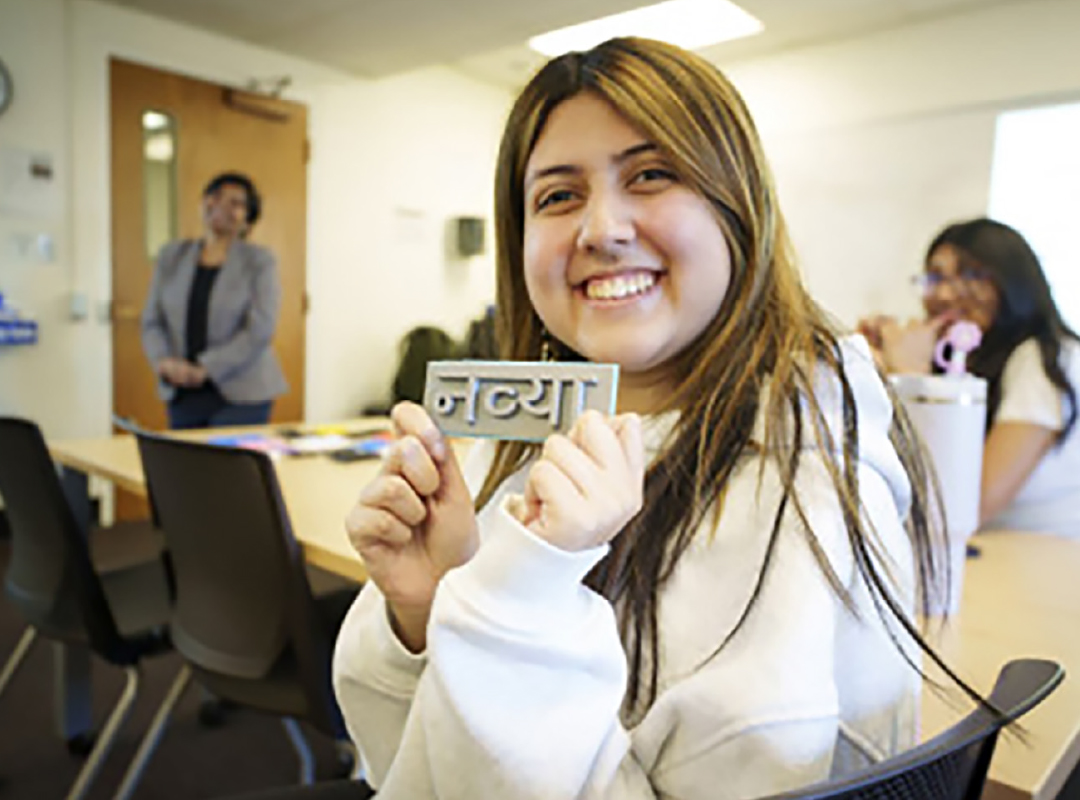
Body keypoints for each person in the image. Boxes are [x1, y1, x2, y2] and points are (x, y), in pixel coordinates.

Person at [333, 38, 975, 799]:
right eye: (557, 196)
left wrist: (521, 598)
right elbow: (407, 770)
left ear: (738, 206)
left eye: (651, 175)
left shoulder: (803, 478)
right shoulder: (516, 437)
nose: (600, 229)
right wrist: (425, 611)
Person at [859, 218, 1080, 536]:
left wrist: (913, 377)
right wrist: (873, 375)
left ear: (1014, 281)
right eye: (935, 277)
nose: (946, 294)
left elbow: (966, 508)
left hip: (1046, 559)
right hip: (992, 553)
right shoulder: (969, 363)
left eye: (972, 274)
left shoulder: (1045, 359)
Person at [141, 171, 286, 430]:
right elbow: (152, 321)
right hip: (182, 390)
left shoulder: (259, 261)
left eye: (237, 203)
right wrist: (164, 362)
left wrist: (205, 369)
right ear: (202, 203)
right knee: (184, 468)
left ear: (248, 218)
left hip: (242, 392)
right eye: (215, 196)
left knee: (226, 469)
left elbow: (260, 328)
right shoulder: (172, 256)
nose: (222, 206)